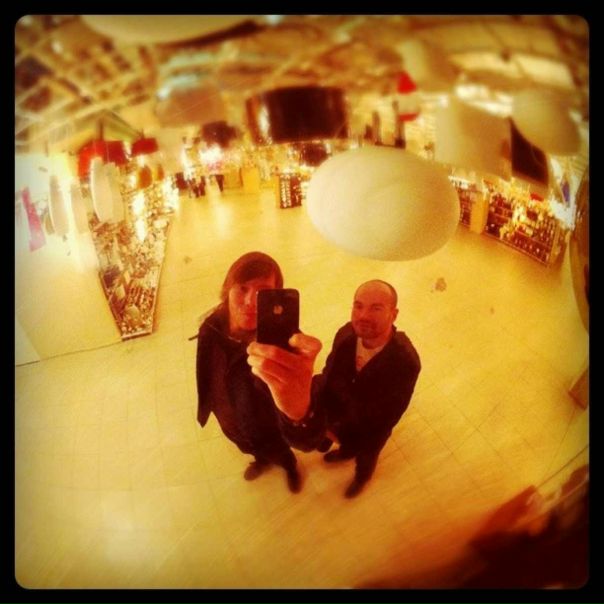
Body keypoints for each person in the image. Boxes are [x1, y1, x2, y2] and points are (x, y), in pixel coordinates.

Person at [247, 279, 421, 499]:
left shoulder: (405, 361)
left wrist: (344, 436)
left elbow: (387, 417)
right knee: (340, 446)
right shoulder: (346, 333)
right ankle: (342, 453)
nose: (363, 315)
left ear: (393, 314)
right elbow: (329, 373)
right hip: (335, 414)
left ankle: (361, 478)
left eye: (376, 308)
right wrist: (315, 411)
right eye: (358, 306)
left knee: (365, 458)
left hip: (365, 431)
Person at [195, 251, 317, 493]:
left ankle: (290, 467)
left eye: (262, 292)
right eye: (242, 288)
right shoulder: (210, 326)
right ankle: (260, 461)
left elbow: (308, 436)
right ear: (228, 289)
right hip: (228, 421)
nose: (250, 301)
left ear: (275, 296)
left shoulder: (282, 343)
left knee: (279, 452)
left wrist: (301, 411)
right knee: (249, 447)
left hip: (269, 427)